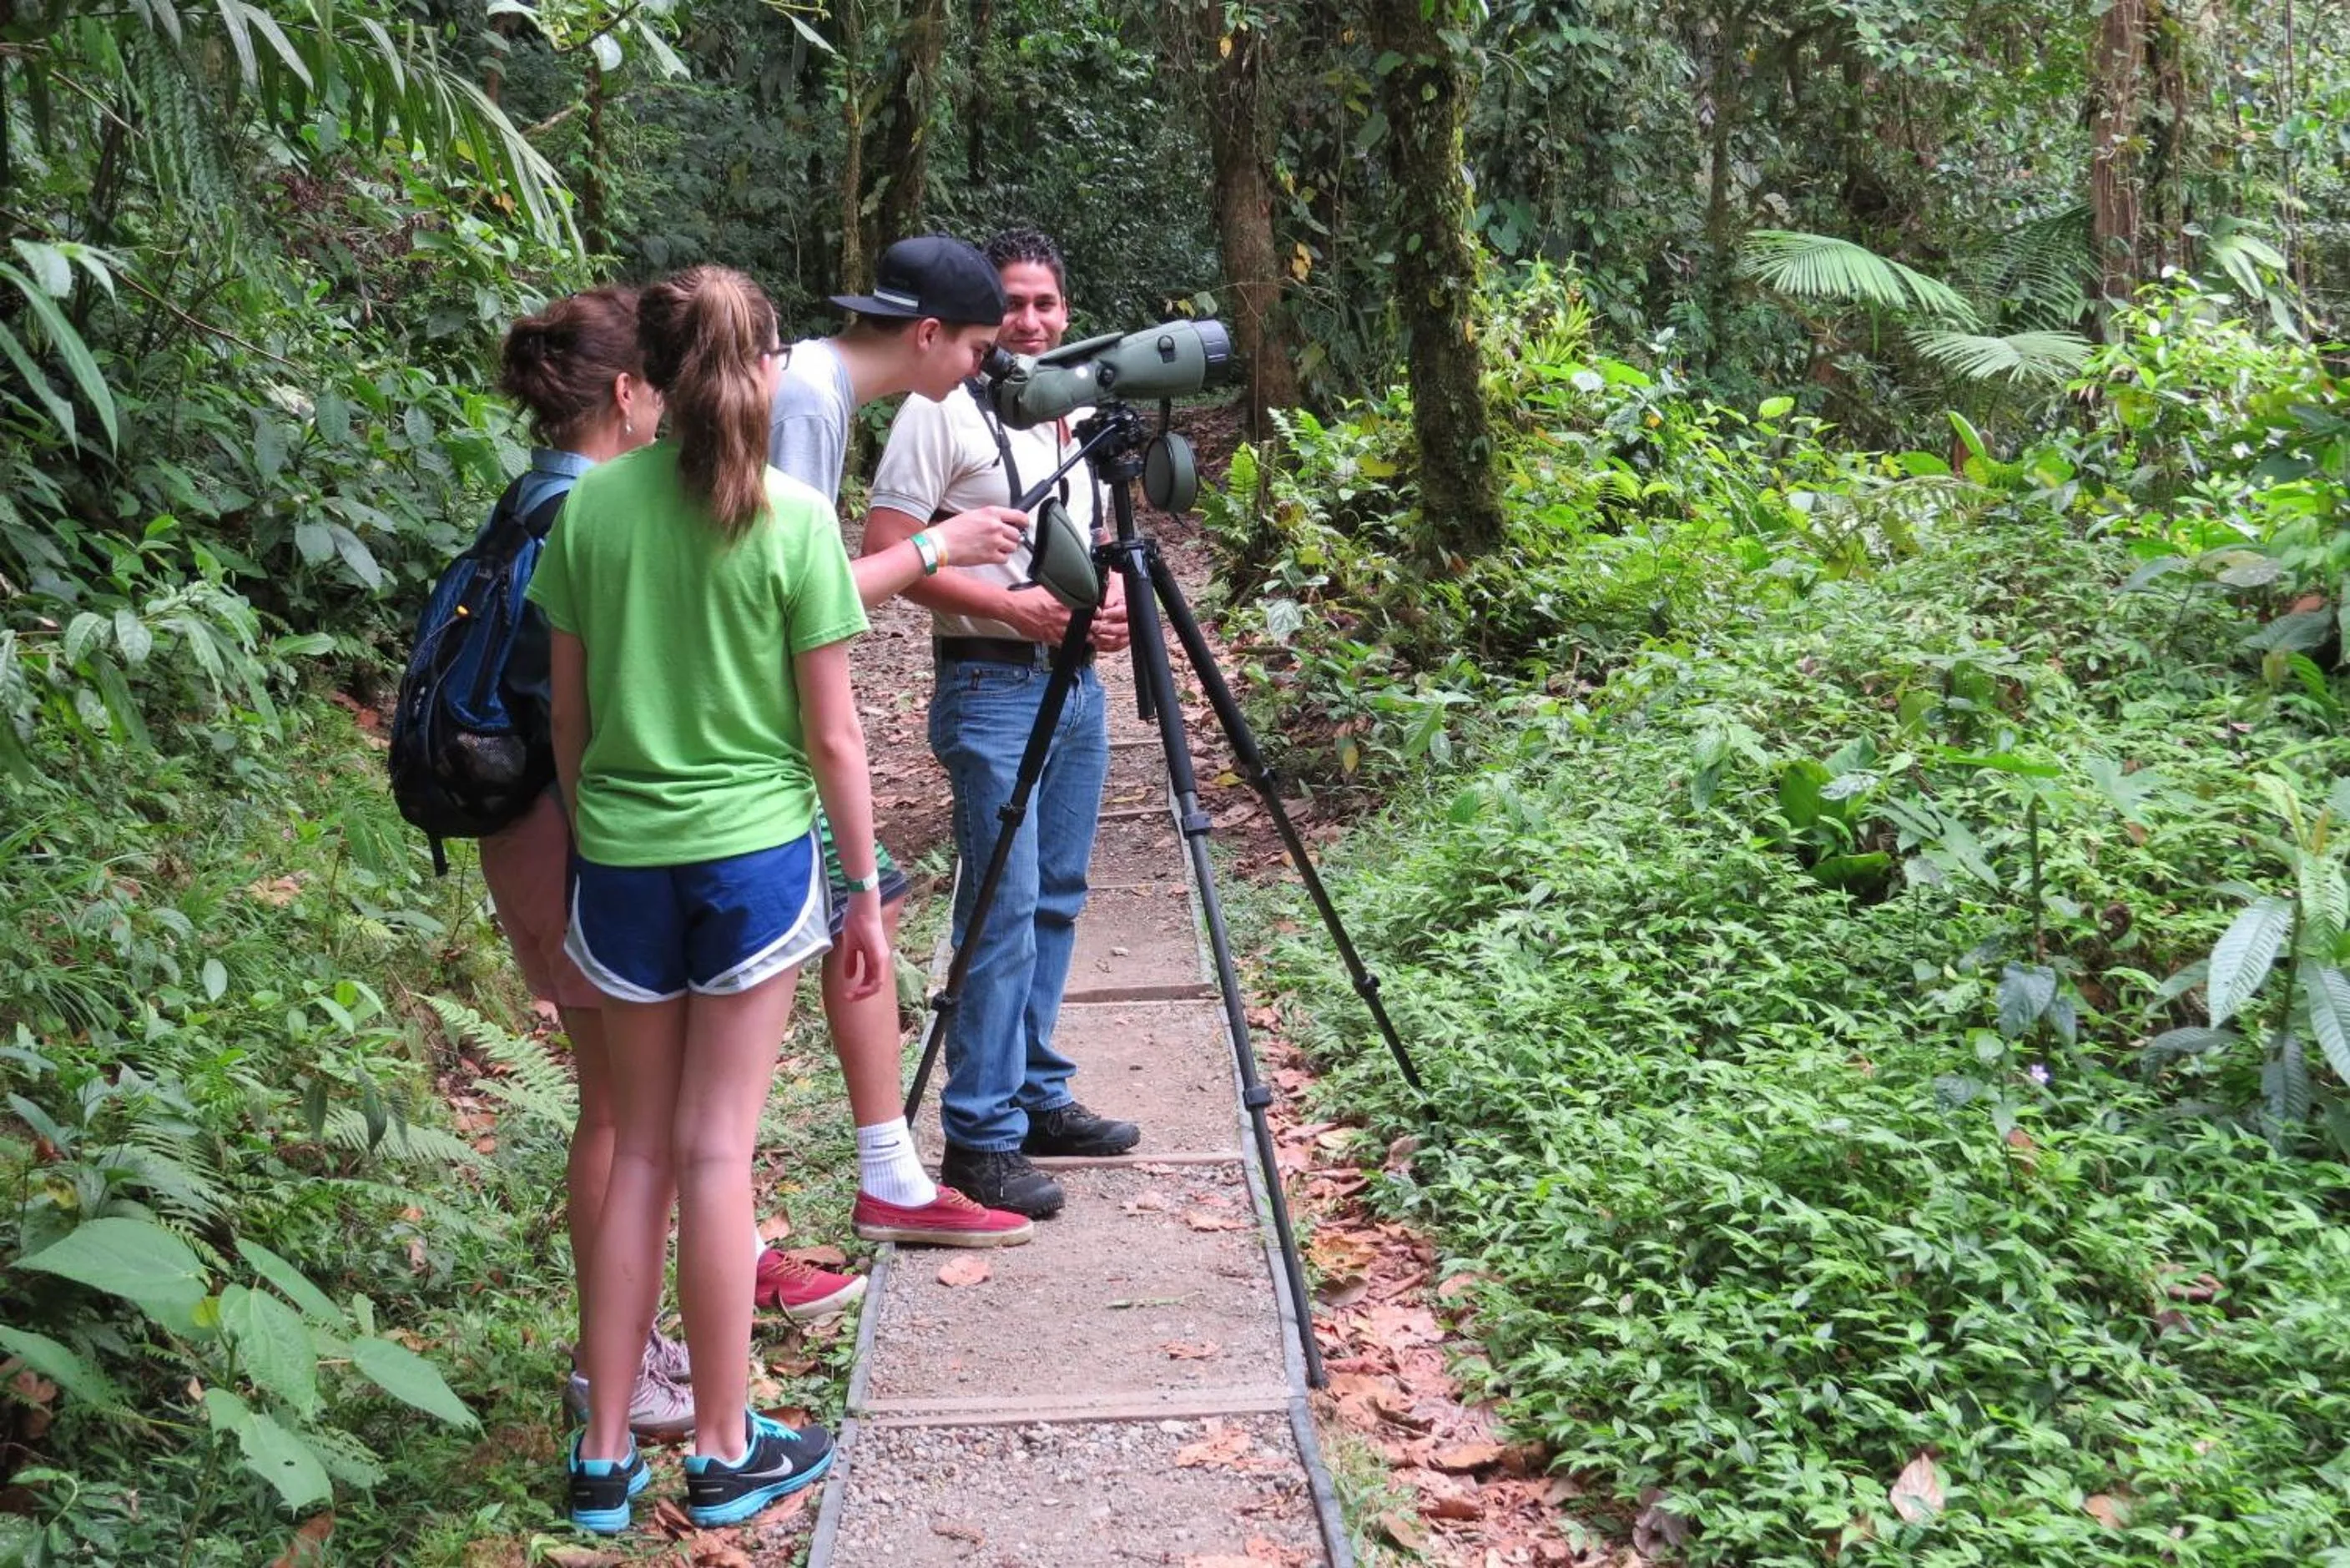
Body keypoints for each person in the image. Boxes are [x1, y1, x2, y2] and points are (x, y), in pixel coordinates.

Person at [532, 265, 875, 1533]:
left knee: (636, 1149)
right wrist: (862, 890)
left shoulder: (593, 507)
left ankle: (604, 1452)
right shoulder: (795, 518)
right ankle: (727, 1447)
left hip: (621, 860)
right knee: (718, 1149)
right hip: (752, 862)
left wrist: (599, 842)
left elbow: (568, 717)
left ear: (653, 380)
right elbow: (833, 738)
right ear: (762, 367)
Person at [750, 234, 1042, 1265]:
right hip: (758, 740)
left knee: (862, 922)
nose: (980, 369)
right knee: (836, 932)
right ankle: (802, 1215)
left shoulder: (816, 389)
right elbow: (789, 592)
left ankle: (890, 1174)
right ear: (925, 335)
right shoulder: (806, 400)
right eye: (974, 348)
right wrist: (936, 546)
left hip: (766, 730)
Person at [862, 226, 1142, 1219]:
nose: (1029, 321)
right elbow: (887, 554)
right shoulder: (938, 409)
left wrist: (1109, 597)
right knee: (1001, 907)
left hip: (1075, 685)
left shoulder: (1075, 410)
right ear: (985, 313)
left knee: (1056, 896)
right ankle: (978, 1137)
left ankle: (1034, 1094)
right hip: (989, 684)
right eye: (1012, 304)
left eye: (1045, 303)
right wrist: (1006, 607)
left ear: (1066, 311)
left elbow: (1088, 540)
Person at [482, 289, 698, 1439]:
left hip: (523, 828)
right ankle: (610, 1361)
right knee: (618, 1111)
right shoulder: (590, 510)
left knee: (613, 1103)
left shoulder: (531, 495)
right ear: (627, 391)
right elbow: (590, 704)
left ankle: (624, 1343)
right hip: (570, 833)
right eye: (656, 385)